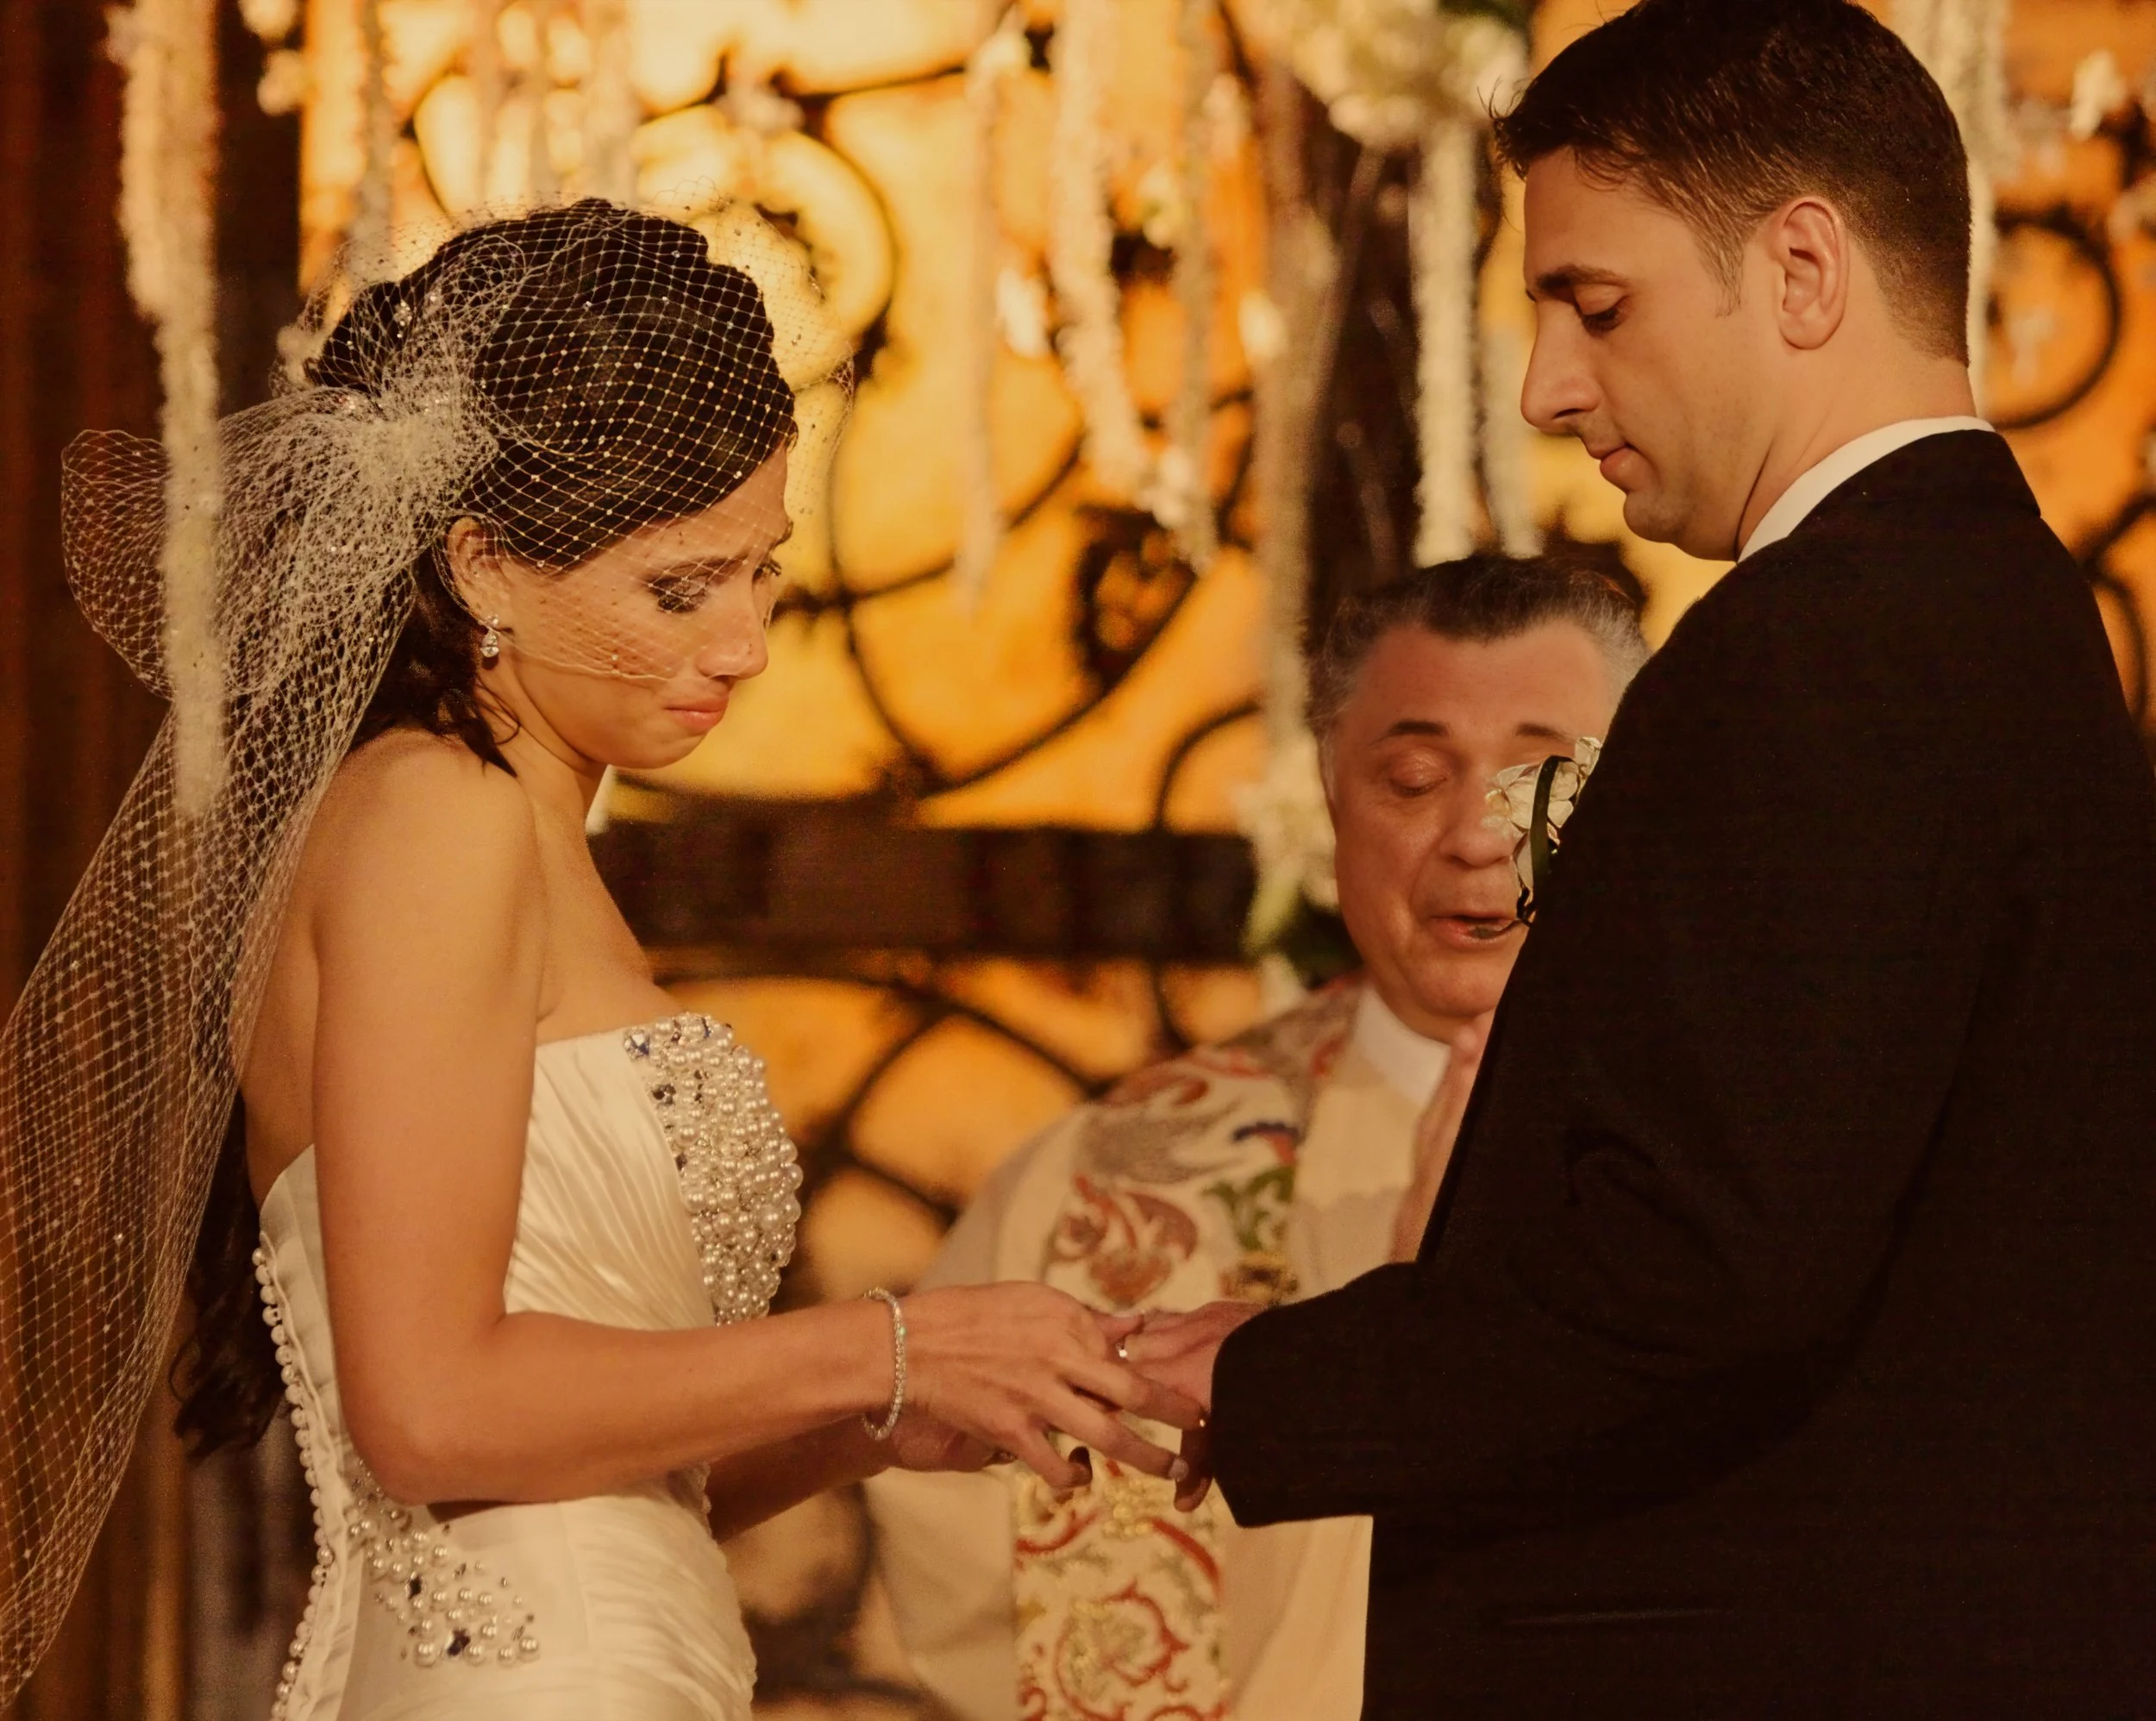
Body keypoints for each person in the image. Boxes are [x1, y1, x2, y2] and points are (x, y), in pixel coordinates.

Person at [0, 202, 1200, 1719]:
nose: (746, 643)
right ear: (487, 565)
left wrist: (880, 1412)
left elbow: (595, 1488)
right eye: (679, 587)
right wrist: (886, 1340)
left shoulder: (507, 831)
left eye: (761, 571)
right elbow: (430, 1412)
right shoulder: (438, 820)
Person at [1127, 3, 2156, 1714]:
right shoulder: (1997, 603)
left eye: (1591, 305)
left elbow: (1704, 1262)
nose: (1543, 387)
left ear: (1803, 269)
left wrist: (1267, 1377)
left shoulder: (1821, 642)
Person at [864, 554, 1645, 1721]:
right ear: (1330, 798)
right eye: (1416, 777)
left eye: (1541, 774)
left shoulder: (1759, 1150)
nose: (1480, 836)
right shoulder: (1104, 1183)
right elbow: (965, 1561)